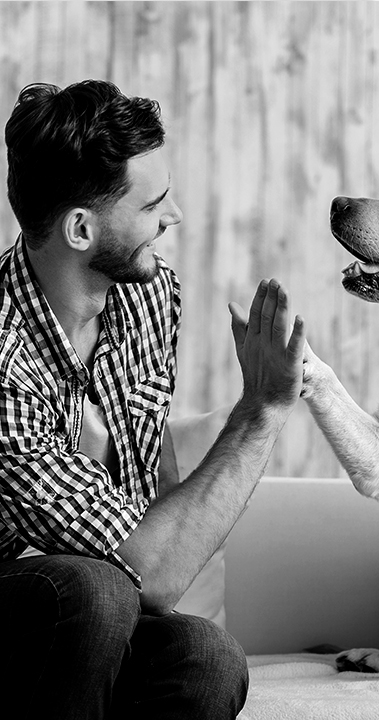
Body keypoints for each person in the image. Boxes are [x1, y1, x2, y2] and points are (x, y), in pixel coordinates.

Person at [0, 79, 306, 720]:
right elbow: (154, 570)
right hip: (26, 610)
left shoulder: (149, 296)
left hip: (90, 615)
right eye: (152, 204)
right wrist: (261, 410)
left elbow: (148, 565)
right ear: (81, 228)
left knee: (205, 655)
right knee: (93, 591)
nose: (174, 218)